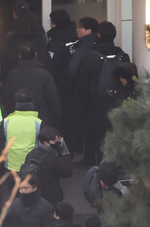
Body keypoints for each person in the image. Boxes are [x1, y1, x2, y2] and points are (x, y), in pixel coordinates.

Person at [81, 21, 130, 166]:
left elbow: (82, 81)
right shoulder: (123, 56)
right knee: (113, 131)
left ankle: (90, 159)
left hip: (94, 102)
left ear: (99, 35)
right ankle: (112, 161)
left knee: (93, 132)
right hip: (117, 101)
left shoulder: (90, 57)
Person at [2, 44, 61, 128]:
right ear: (36, 54)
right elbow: (53, 99)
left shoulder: (12, 75)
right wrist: (56, 119)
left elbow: (7, 100)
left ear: (19, 56)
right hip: (42, 122)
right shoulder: (45, 75)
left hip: (18, 122)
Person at [67, 16, 99, 157]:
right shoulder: (97, 44)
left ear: (88, 30)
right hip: (94, 91)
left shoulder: (82, 47)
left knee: (82, 122)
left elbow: (72, 69)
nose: (77, 30)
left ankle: (82, 150)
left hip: (81, 91)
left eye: (81, 27)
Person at [46, 9, 78, 144]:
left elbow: (52, 65)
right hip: (76, 83)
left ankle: (66, 145)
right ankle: (77, 143)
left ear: (54, 24)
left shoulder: (56, 42)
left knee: (62, 117)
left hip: (60, 85)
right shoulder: (75, 38)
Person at [1, 0, 50, 82]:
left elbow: (7, 55)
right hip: (38, 71)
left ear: (14, 14)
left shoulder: (10, 30)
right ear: (29, 11)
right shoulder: (38, 28)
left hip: (16, 73)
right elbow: (44, 49)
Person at [23, 125, 72, 205]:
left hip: (34, 195)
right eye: (55, 140)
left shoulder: (31, 154)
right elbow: (67, 172)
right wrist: (65, 153)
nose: (58, 142)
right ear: (46, 143)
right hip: (51, 197)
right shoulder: (52, 158)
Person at [3, 90, 42, 180]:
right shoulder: (38, 123)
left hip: (11, 166)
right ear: (31, 104)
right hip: (31, 165)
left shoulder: (6, 122)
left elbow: (1, 143)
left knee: (14, 192)